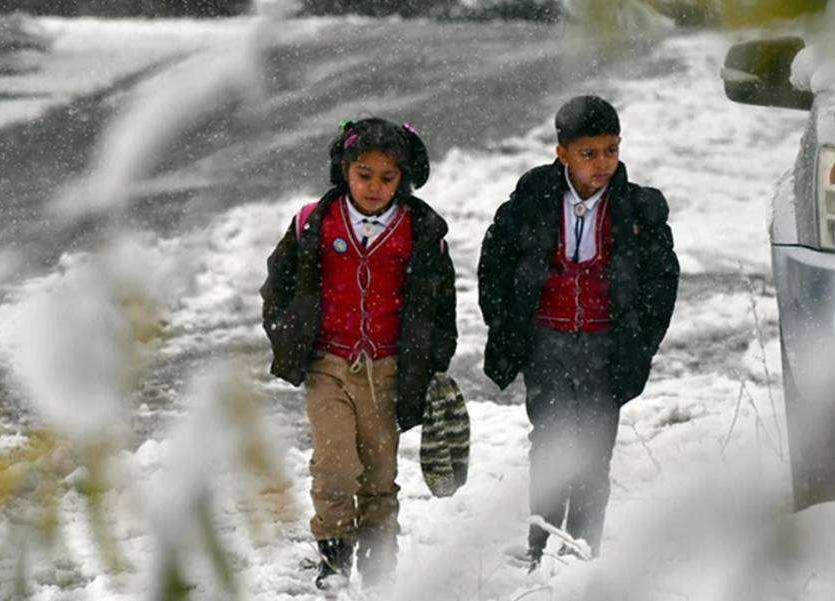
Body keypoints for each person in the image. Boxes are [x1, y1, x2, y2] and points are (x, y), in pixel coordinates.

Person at [477, 95, 679, 571]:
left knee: (593, 452)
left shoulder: (638, 208)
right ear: (562, 152)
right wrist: (505, 325)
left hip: (606, 348)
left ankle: (581, 554)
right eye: (588, 153)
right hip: (546, 344)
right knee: (549, 446)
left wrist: (640, 345)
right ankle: (539, 547)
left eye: (611, 150)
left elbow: (661, 282)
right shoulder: (532, 198)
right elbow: (495, 263)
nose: (602, 163)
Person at [260, 118, 457, 590]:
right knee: (334, 468)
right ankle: (333, 559)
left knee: (379, 474)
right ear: (344, 170)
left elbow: (441, 305)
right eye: (364, 174)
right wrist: (287, 334)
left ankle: (379, 566)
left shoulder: (420, 232)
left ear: (404, 179)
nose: (374, 187)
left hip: (389, 371)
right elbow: (277, 286)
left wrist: (432, 362)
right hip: (328, 366)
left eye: (388, 178)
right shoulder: (314, 223)